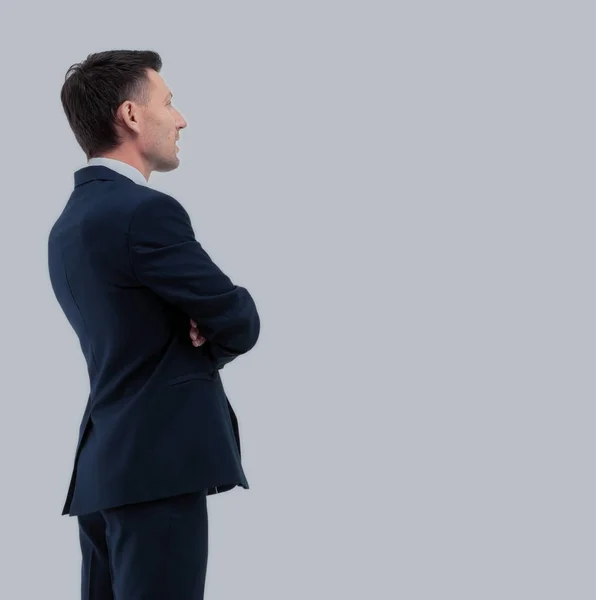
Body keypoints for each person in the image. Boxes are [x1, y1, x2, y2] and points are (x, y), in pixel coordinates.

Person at [47, 49, 260, 599]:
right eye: (168, 101)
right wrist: (210, 333)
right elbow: (238, 318)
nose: (181, 117)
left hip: (102, 473)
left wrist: (200, 323)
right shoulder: (145, 212)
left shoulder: (67, 225)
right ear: (131, 116)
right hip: (157, 470)